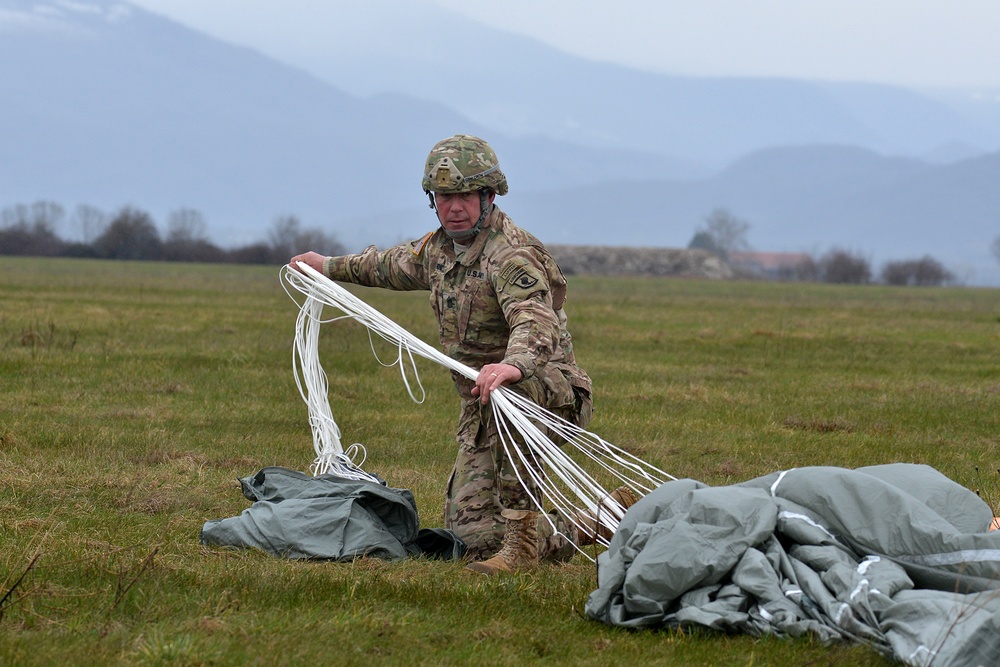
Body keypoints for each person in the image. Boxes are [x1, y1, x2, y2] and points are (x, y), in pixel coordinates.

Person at [290, 134, 634, 574]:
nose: (453, 206)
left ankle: (522, 548)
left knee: (520, 397)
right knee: (471, 540)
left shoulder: (510, 254)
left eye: (464, 195)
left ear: (488, 196)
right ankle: (600, 520)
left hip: (547, 394)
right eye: (444, 196)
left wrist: (512, 366)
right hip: (484, 403)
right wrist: (327, 266)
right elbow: (389, 266)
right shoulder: (437, 249)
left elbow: (534, 319)